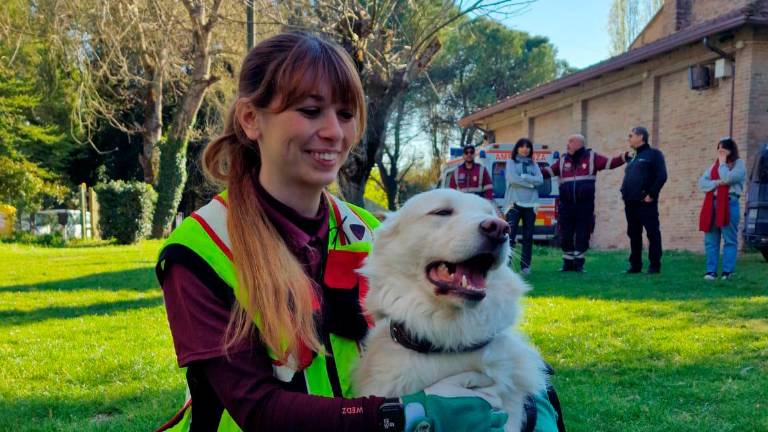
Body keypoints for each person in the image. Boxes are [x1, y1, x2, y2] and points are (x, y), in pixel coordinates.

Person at [153, 32, 549, 432]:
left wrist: (527, 391)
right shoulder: (199, 249)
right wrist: (404, 415)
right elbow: (257, 410)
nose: (334, 132)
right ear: (251, 119)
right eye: (310, 110)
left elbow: (446, 338)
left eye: (345, 114)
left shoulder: (372, 231)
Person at [543, 134, 627, 272]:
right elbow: (547, 172)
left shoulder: (592, 157)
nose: (567, 143)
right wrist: (531, 170)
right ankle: (567, 264)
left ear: (578, 144)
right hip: (566, 206)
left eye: (570, 141)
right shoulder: (563, 160)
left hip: (585, 206)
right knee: (566, 234)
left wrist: (624, 157)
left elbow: (610, 163)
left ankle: (579, 264)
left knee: (583, 233)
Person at [620, 126, 668, 274]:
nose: (628, 138)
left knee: (652, 233)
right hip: (630, 203)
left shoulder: (654, 155)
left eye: (631, 135)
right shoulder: (633, 157)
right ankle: (635, 265)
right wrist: (623, 192)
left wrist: (651, 194)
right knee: (633, 234)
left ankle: (654, 265)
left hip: (646, 202)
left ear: (641, 137)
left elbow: (662, 176)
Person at [698, 137, 746, 280]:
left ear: (731, 150)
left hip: (729, 203)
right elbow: (702, 183)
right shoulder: (713, 166)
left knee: (729, 239)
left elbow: (729, 178)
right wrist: (718, 182)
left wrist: (723, 164)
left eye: (723, 150)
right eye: (718, 150)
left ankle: (727, 271)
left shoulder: (739, 164)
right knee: (711, 240)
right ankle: (711, 271)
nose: (720, 153)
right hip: (712, 204)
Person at [503, 138, 543, 274]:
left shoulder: (534, 164)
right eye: (522, 146)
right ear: (517, 148)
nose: (525, 149)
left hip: (531, 204)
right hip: (514, 203)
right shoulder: (510, 162)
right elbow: (512, 179)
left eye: (528, 147)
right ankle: (505, 265)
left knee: (528, 237)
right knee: (510, 236)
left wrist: (525, 176)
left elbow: (541, 180)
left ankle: (525, 267)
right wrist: (531, 184)